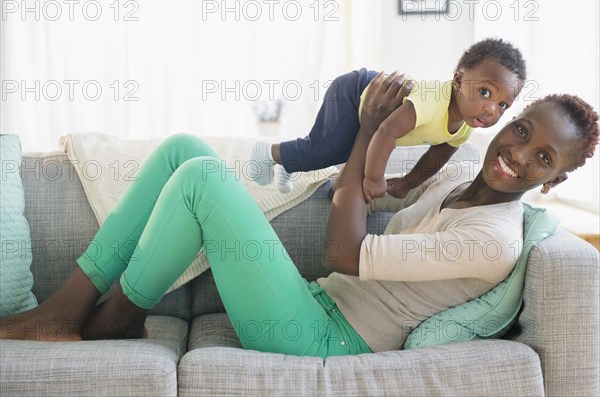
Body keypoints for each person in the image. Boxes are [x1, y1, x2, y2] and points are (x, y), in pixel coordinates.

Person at [1, 73, 598, 357]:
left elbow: (345, 254)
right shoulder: (453, 181)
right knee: (186, 148)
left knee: (202, 181)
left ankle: (104, 321)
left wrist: (368, 131)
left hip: (324, 339)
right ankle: (68, 309)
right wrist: (384, 125)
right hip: (315, 304)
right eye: (520, 129)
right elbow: (361, 189)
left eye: (542, 157)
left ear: (558, 178)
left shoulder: (492, 240)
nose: (516, 154)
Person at [248, 38, 527, 201]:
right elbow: (385, 132)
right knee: (331, 150)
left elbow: (435, 158)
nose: (491, 109)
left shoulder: (465, 126)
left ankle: (291, 160)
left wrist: (407, 183)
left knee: (331, 149)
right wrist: (374, 178)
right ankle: (268, 152)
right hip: (355, 91)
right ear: (458, 81)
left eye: (502, 104)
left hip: (365, 106)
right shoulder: (433, 101)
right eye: (485, 92)